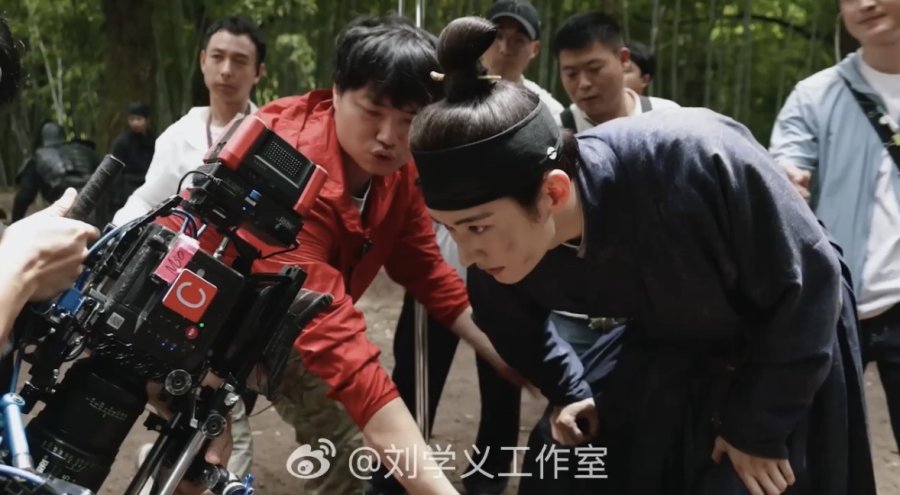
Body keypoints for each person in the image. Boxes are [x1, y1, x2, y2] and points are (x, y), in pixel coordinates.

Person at [409, 16, 876, 495]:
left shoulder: (695, 158)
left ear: (553, 192)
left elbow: (811, 280)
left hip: (787, 327)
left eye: (476, 226)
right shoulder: (497, 249)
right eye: (449, 228)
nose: (467, 254)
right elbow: (511, 325)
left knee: (744, 484)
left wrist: (760, 426)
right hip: (666, 334)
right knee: (562, 457)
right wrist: (569, 389)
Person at [140, 15, 519, 495]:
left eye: (410, 120)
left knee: (342, 454)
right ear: (337, 91)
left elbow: (424, 269)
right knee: (209, 469)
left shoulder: (397, 174)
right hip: (197, 325)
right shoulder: (286, 173)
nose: (389, 136)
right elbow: (342, 347)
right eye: (374, 111)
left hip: (284, 322)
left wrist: (501, 353)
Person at [113, 16, 266, 484]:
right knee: (165, 395)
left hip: (233, 300)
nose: (226, 70)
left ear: (258, 71)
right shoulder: (178, 134)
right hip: (169, 287)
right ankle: (165, 470)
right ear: (202, 62)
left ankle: (210, 478)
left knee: (222, 408)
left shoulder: (272, 139)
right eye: (217, 57)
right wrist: (117, 236)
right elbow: (147, 199)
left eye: (239, 60)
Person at [770, 0, 900, 452]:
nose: (864, 4)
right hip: (836, 303)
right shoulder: (817, 94)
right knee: (821, 451)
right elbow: (786, 159)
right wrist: (785, 178)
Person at [553, 11, 678, 132]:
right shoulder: (555, 133)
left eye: (594, 69)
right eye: (571, 74)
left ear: (623, 59)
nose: (584, 84)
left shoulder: (667, 118)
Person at [482, 0, 564, 119]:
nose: (505, 49)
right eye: (498, 36)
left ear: (535, 49)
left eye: (518, 40)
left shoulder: (547, 112)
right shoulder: (456, 95)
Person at [108, 102, 156, 219]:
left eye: (139, 119)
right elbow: (115, 170)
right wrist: (117, 196)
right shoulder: (121, 142)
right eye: (132, 119)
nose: (135, 123)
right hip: (128, 187)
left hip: (149, 185)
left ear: (147, 120)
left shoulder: (155, 140)